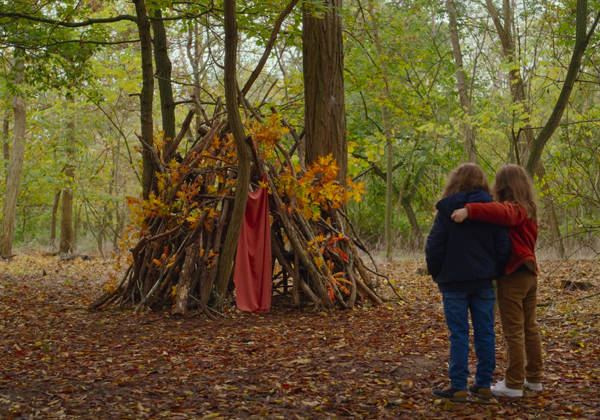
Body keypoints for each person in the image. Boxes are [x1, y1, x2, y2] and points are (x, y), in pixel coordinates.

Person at [451, 164, 543, 398]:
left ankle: (514, 383)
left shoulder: (516, 209)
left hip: (515, 275)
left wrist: (469, 210)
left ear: (503, 186)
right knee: (529, 328)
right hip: (530, 273)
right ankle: (533, 378)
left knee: (514, 330)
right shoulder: (529, 208)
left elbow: (503, 212)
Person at [426, 163, 510, 403]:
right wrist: (495, 271)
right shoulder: (492, 211)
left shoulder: (446, 210)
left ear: (455, 181)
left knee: (459, 333)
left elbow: (434, 246)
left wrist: (437, 273)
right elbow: (503, 246)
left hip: (453, 281)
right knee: (485, 331)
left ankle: (459, 386)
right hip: (483, 281)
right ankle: (483, 384)